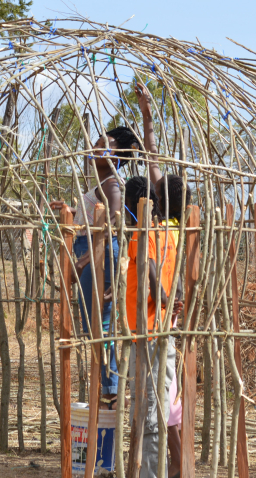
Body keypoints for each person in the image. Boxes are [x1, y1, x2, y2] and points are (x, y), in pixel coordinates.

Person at [49, 81, 162, 410]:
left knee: (104, 325)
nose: (95, 148)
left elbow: (112, 228)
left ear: (118, 156)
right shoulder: (102, 182)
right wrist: (71, 214)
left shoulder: (113, 184)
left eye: (103, 145)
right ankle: (108, 389)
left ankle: (111, 391)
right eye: (96, 143)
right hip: (93, 253)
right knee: (97, 325)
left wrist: (81, 262)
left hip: (99, 257)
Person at [126, 174, 187, 478]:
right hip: (158, 333)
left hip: (149, 334)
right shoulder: (169, 235)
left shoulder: (145, 234)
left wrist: (163, 299)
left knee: (150, 415)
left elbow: (151, 272)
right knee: (155, 412)